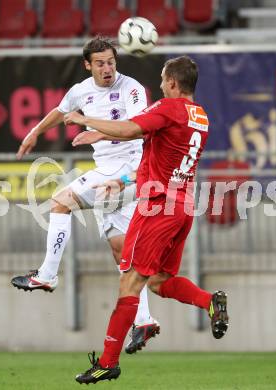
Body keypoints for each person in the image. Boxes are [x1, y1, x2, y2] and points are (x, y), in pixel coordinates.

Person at [64, 55, 229, 384]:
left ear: (172, 83)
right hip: (181, 207)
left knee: (130, 282)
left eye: (162, 79)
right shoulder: (200, 117)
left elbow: (129, 127)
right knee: (158, 281)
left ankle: (108, 362)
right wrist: (123, 180)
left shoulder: (169, 108)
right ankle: (209, 301)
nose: (159, 85)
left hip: (156, 207)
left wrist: (87, 120)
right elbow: (155, 151)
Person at [10, 37, 160, 354]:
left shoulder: (131, 88)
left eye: (111, 62)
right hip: (111, 175)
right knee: (123, 255)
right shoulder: (81, 90)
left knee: (60, 202)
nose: (107, 69)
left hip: (127, 170)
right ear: (87, 65)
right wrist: (35, 132)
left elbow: (138, 127)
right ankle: (144, 320)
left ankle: (48, 275)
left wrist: (95, 129)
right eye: (101, 63)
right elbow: (60, 110)